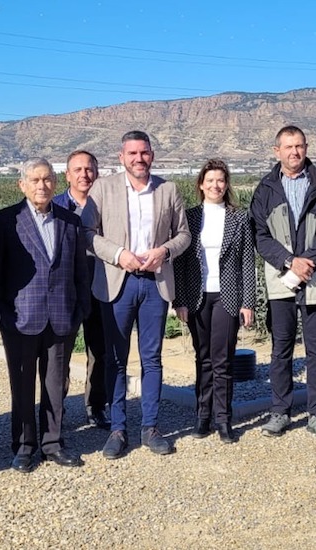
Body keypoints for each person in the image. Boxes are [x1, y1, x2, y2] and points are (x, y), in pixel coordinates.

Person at [87, 130, 191, 459]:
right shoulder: (102, 189)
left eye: (144, 152)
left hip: (155, 284)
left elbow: (184, 234)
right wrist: (119, 254)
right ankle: (118, 429)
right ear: (122, 157)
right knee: (116, 359)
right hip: (118, 282)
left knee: (152, 358)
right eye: (132, 153)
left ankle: (150, 427)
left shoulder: (168, 190)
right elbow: (86, 233)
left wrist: (165, 251)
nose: (139, 158)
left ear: (152, 155)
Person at [0, 158, 90, 472]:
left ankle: (53, 443)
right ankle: (24, 445)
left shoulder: (70, 221)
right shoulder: (5, 220)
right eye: (34, 180)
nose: (41, 185)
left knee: (55, 383)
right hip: (20, 319)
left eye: (47, 179)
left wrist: (80, 310)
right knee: (22, 384)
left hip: (62, 317)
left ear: (55, 183)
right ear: (22, 185)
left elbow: (80, 272)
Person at [250, 125, 316, 441]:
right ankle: (280, 411)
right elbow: (260, 235)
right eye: (288, 147)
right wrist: (290, 261)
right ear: (277, 151)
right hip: (281, 279)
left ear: (306, 148)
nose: (294, 152)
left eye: (299, 146)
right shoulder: (265, 189)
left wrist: (307, 262)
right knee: (281, 349)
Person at [173, 159, 257, 444]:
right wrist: (179, 301)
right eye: (210, 180)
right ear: (201, 184)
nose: (215, 185)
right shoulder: (190, 217)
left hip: (227, 296)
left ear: (227, 184)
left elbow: (247, 261)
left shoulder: (239, 218)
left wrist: (248, 302)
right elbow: (180, 263)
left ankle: (223, 419)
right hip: (197, 296)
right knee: (203, 358)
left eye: (220, 180)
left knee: (222, 360)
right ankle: (203, 416)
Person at [52, 150, 111, 429]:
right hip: (66, 291)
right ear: (67, 175)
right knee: (59, 354)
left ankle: (96, 406)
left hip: (102, 286)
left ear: (96, 173)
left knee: (100, 351)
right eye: (77, 170)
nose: (84, 175)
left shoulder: (107, 206)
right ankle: (56, 411)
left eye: (89, 169)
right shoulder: (55, 207)